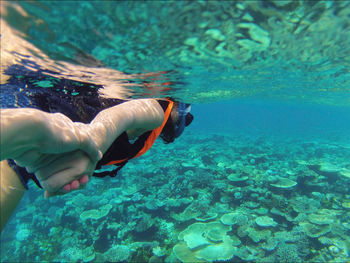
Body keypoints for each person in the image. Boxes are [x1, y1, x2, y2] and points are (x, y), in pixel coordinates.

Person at [1, 94, 193, 231]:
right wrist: (94, 137)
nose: (182, 122)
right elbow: (132, 112)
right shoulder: (157, 110)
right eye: (185, 115)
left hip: (35, 159)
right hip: (57, 135)